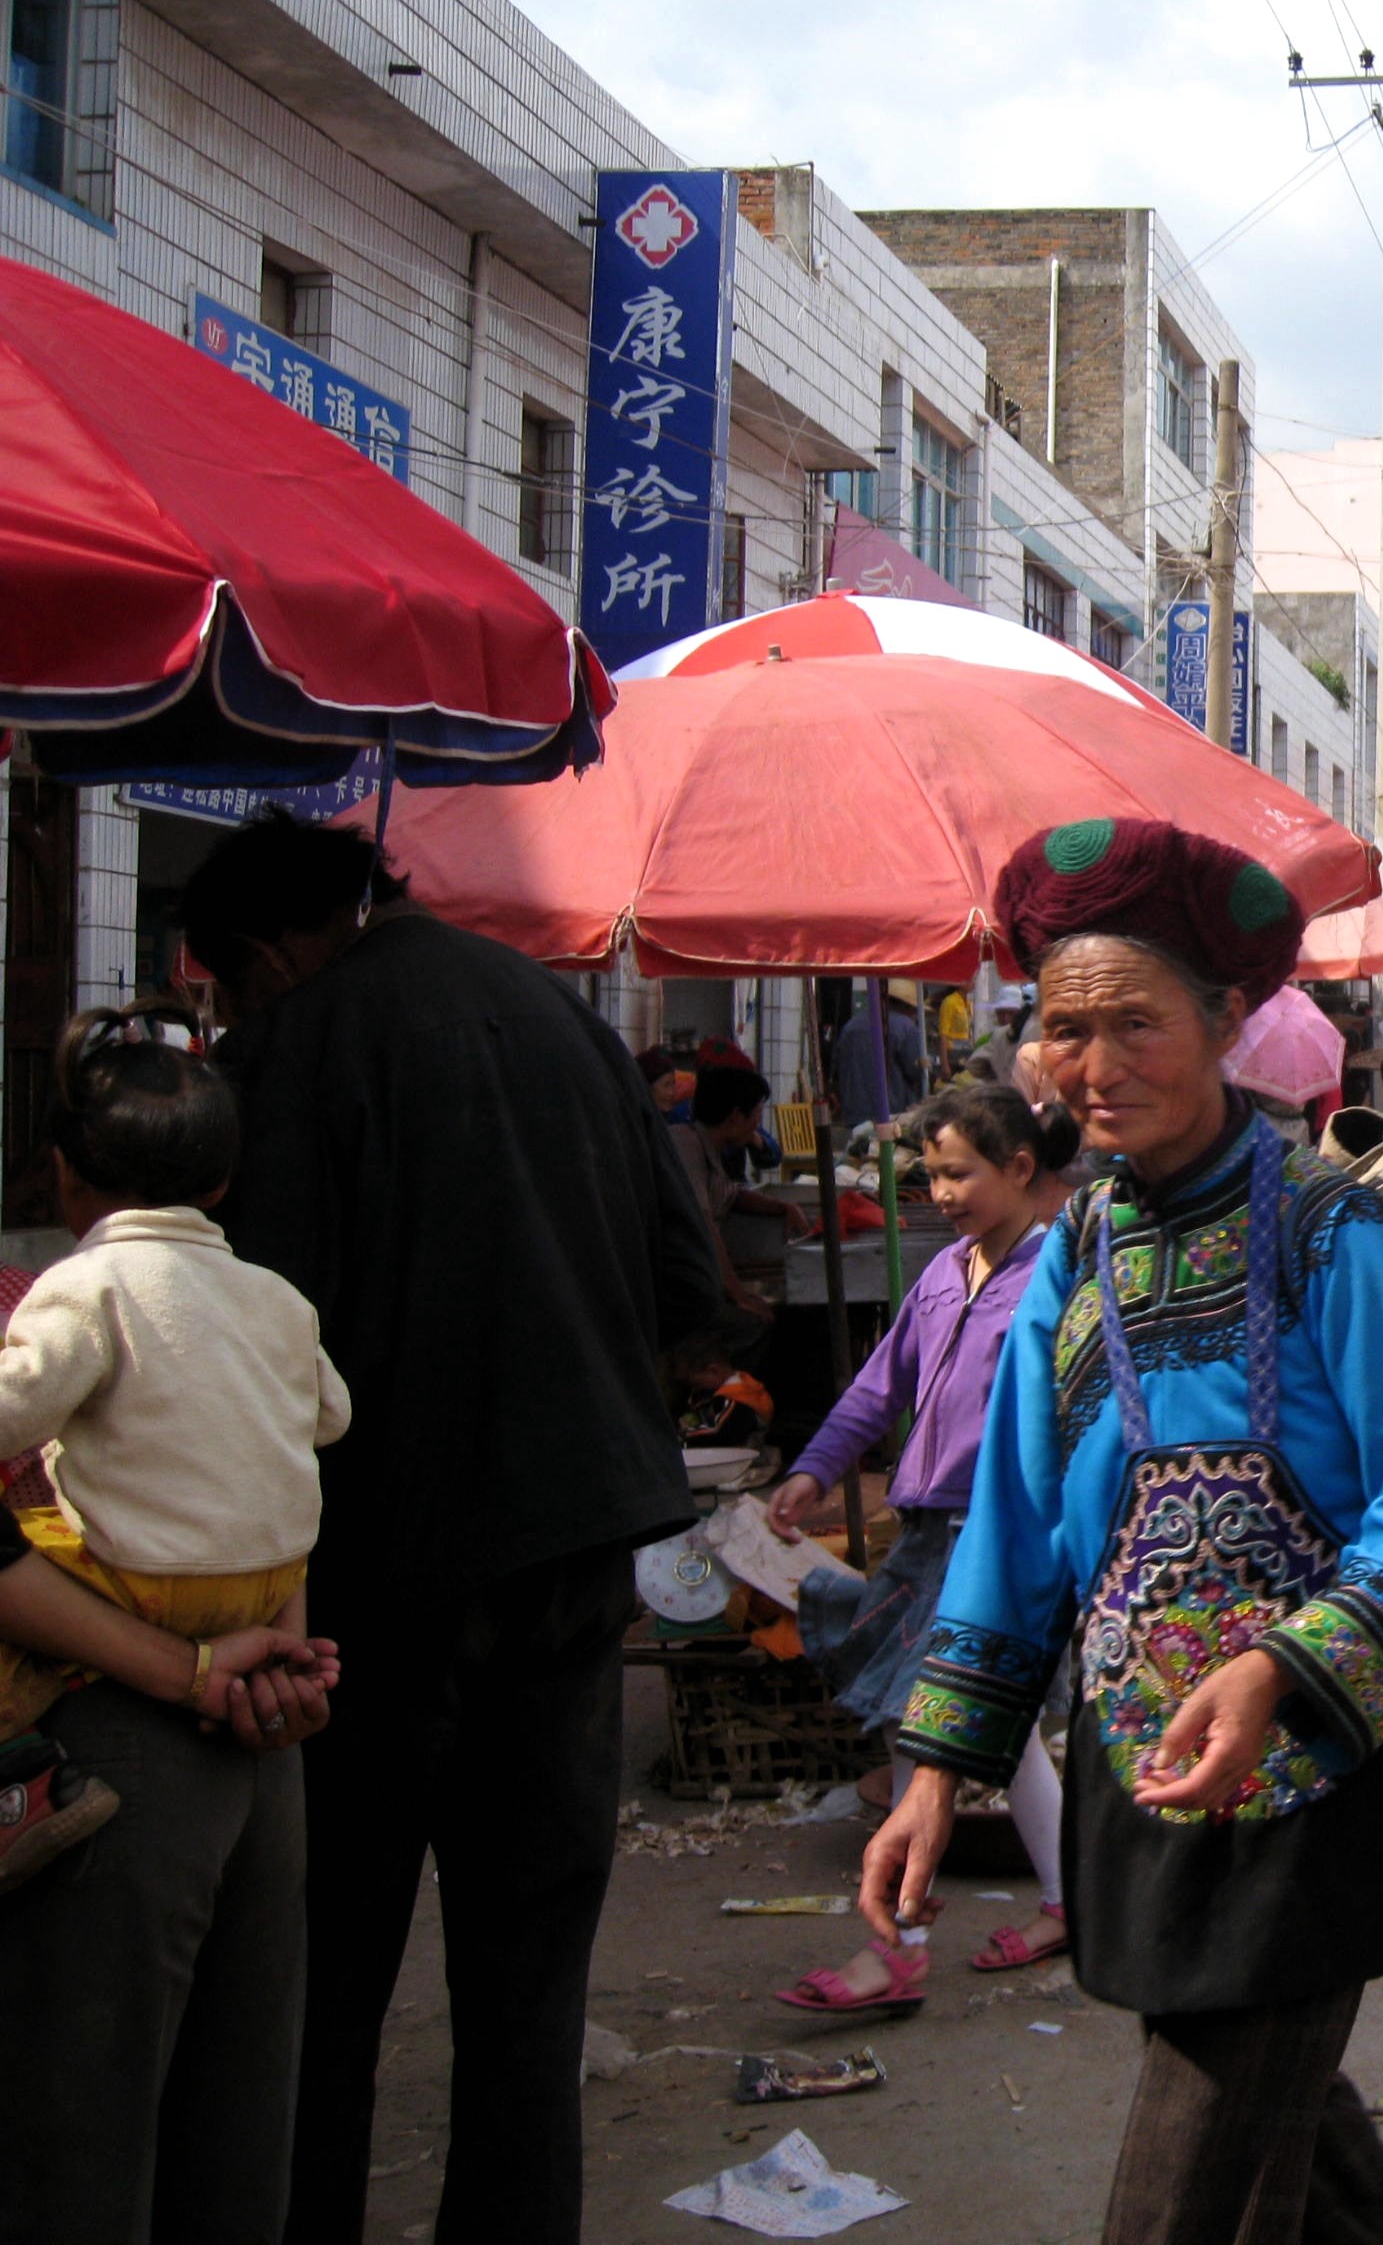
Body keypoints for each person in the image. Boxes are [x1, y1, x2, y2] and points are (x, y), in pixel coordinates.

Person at [863, 817, 1383, 2244]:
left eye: (1135, 1025)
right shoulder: (1075, 1260)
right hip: (1145, 1766)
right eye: (1062, 1029)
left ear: (1230, 1018)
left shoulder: (1340, 1239)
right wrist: (936, 1767)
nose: (1091, 1068)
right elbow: (1020, 1528)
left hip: (1316, 1767)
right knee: (1285, 2132)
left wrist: (1285, 1667)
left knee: (1191, 2182)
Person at [177, 813, 723, 2245]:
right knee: (528, 1978)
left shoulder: (293, 1049)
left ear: (258, 957)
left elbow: (252, 1342)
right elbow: (690, 1280)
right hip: (577, 1553)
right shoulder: (568, 1019)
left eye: (224, 990)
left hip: (379, 1572)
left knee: (325, 1976)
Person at [768, 1084, 1082, 2009]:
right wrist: (814, 1470)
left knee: (929, 1716)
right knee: (996, 1725)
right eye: (931, 1174)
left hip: (996, 1537)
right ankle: (1068, 1903)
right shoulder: (944, 1273)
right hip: (927, 1533)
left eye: (959, 1173)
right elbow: (877, 1389)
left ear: (1020, 1169)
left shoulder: (1052, 1282)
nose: (942, 1192)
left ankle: (898, 1944)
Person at [0, 1009, 348, 1775]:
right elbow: (331, 1417)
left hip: (144, 1587)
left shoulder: (86, 1285)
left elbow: (14, 1410)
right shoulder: (279, 1298)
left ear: (66, 1171)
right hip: (271, 1584)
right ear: (221, 1182)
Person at [0, 1500, 339, 2241]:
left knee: (85, 2175)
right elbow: (274, 1463)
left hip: (89, 1733)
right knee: (230, 2163)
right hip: (232, 1710)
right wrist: (281, 1655)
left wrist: (199, 1674)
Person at [677, 1062, 809, 1339]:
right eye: (758, 1114)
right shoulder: (686, 1146)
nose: (757, 1126)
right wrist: (739, 1294)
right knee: (755, 1325)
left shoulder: (708, 1149)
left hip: (694, 1277)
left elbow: (731, 1195)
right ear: (736, 1117)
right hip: (672, 1290)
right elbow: (704, 1224)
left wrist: (783, 1207)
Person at [834, 979, 929, 1125]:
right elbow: (916, 1070)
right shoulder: (905, 1027)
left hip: (854, 1112)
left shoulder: (851, 1025)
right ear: (908, 1006)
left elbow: (838, 1067)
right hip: (890, 1113)